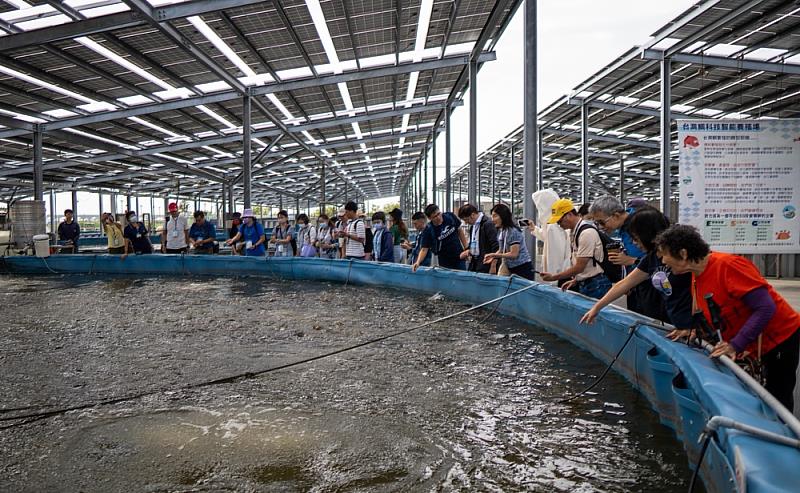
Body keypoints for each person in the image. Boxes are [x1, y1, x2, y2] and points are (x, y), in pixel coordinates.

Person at [655, 224, 800, 410]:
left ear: (683, 254)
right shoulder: (696, 274)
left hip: (780, 337)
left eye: (665, 254)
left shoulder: (728, 266)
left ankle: (783, 434)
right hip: (753, 342)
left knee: (777, 395)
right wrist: (695, 331)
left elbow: (765, 308)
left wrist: (735, 345)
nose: (663, 260)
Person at [579, 206, 692, 330]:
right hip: (675, 323)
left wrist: (693, 326)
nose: (633, 243)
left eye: (636, 238)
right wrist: (596, 308)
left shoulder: (680, 257)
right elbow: (624, 284)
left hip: (688, 325)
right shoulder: (651, 258)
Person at [589, 195, 665, 321]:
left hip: (651, 289)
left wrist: (631, 260)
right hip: (641, 285)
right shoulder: (649, 259)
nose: (635, 243)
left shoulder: (639, 224)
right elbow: (630, 279)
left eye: (601, 222)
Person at [540, 198, 612, 299]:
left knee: (592, 313)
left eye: (560, 221)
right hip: (588, 282)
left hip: (596, 284)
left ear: (569, 215)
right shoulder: (574, 232)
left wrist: (554, 277)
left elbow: (580, 267)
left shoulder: (586, 233)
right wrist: (577, 280)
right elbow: (587, 264)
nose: (559, 225)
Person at [529, 189, 571, 285]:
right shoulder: (554, 224)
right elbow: (547, 239)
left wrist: (553, 279)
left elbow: (555, 256)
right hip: (562, 274)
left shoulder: (553, 226)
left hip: (559, 277)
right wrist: (534, 229)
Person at [483, 203, 535, 280]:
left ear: (503, 216)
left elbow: (514, 254)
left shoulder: (513, 231)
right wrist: (493, 257)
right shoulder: (503, 231)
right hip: (512, 267)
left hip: (522, 268)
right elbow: (501, 250)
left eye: (495, 216)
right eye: (492, 216)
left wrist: (494, 255)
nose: (492, 219)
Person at [411, 204, 467, 272]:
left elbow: (460, 231)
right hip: (444, 260)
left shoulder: (450, 217)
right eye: (434, 216)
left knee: (462, 277)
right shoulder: (428, 230)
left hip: (459, 256)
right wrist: (418, 262)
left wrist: (466, 248)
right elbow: (424, 249)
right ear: (430, 218)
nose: (438, 217)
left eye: (439, 214)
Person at [457, 203, 499, 274]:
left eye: (466, 220)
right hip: (476, 263)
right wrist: (468, 251)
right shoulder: (473, 227)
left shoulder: (488, 224)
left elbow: (496, 246)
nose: (466, 223)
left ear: (473, 215)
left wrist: (493, 265)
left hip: (486, 263)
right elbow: (475, 244)